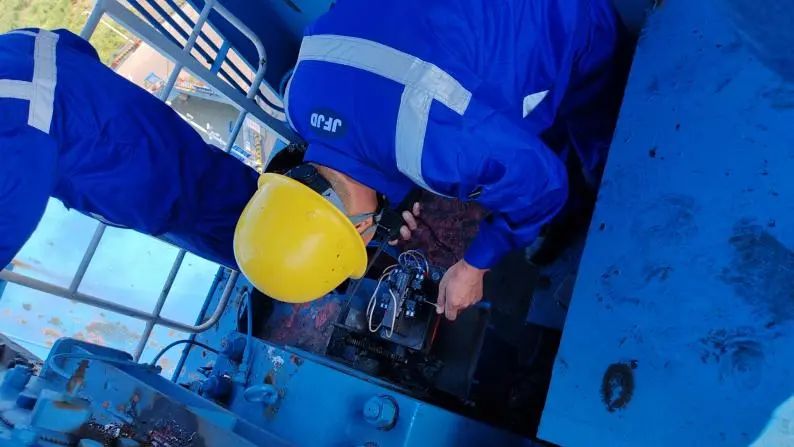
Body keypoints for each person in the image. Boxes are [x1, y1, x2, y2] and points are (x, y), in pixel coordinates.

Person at [234, 0, 629, 319]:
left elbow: (543, 186)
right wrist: (395, 189)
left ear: (360, 228)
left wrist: (475, 265)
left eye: (363, 244)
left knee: (597, 134)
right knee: (518, 138)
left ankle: (596, 189)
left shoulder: (446, 151)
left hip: (562, 18)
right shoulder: (298, 98)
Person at [0, 28, 259, 270]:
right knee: (242, 190)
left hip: (143, 185)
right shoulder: (16, 41)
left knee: (247, 244)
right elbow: (79, 48)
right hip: (163, 134)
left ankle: (275, 267)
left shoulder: (8, 114)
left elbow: (13, 208)